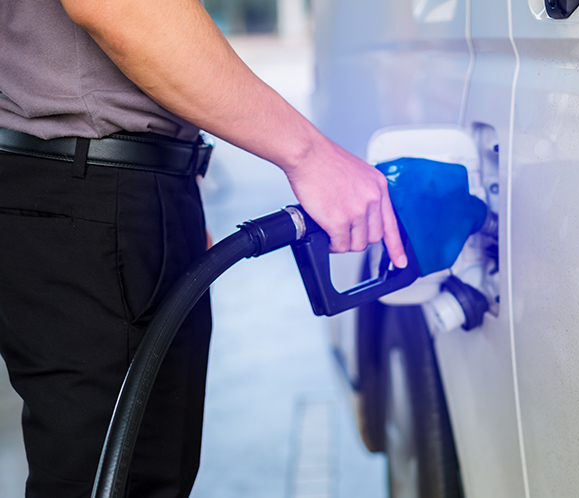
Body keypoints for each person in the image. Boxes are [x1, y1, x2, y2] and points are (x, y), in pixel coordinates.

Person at [0, 0, 407, 496]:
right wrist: (309, 154)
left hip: (74, 185)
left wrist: (170, 191)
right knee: (121, 479)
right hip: (91, 194)